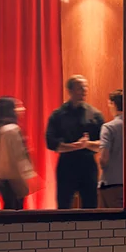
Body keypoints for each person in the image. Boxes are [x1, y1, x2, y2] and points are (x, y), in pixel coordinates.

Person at [45, 75, 105, 209]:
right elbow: (51, 143)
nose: (85, 90)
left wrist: (87, 144)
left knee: (91, 204)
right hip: (67, 164)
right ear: (70, 90)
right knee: (64, 204)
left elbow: (104, 143)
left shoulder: (95, 114)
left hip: (88, 164)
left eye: (86, 87)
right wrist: (75, 146)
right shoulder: (58, 115)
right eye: (80, 88)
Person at [0, 97, 38, 210]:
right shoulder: (12, 130)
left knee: (8, 209)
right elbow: (15, 160)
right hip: (14, 180)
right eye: (18, 106)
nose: (22, 109)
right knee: (15, 211)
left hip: (4, 181)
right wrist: (22, 183)